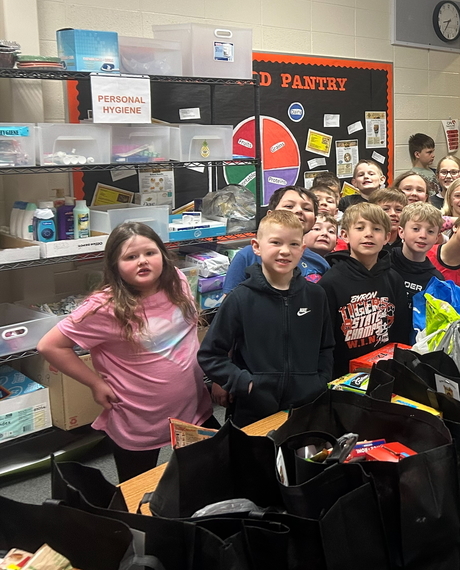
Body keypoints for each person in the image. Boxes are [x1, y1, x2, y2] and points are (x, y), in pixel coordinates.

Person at [37, 222, 214, 482]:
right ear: (115, 266)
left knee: (208, 473)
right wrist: (95, 383)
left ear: (163, 255)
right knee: (136, 488)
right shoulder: (104, 307)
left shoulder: (177, 280)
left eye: (150, 253)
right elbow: (50, 345)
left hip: (192, 405)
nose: (142, 261)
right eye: (130, 257)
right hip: (140, 417)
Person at [199, 211, 333, 427]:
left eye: (293, 244)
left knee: (301, 448)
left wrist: (319, 381)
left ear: (302, 249)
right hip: (253, 409)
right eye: (276, 242)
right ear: (256, 246)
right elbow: (210, 354)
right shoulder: (240, 298)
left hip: (306, 406)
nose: (285, 251)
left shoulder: (316, 296)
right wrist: (245, 383)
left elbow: (326, 347)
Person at [320, 202, 410, 378]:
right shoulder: (330, 283)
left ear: (386, 237)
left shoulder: (394, 279)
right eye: (360, 228)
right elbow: (324, 341)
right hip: (341, 377)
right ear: (345, 235)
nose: (368, 234)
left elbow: (401, 332)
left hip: (384, 374)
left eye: (376, 229)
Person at [224, 186, 328, 291]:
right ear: (270, 214)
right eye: (289, 206)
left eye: (307, 209)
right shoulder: (247, 256)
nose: (299, 210)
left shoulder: (319, 262)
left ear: (314, 220)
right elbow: (231, 298)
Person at [391, 202, 443, 313]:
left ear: (436, 238)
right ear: (401, 232)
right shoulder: (383, 260)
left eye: (430, 231)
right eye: (416, 229)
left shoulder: (435, 280)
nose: (423, 235)